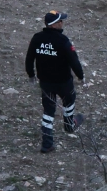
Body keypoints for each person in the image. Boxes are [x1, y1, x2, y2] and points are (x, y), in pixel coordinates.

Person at [24, 10, 84, 153]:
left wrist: (31, 74)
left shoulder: (37, 38)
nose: (62, 23)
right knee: (69, 102)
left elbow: (29, 58)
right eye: (60, 21)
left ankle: (47, 143)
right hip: (64, 82)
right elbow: (74, 61)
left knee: (48, 110)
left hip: (45, 82)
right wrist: (81, 76)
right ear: (54, 24)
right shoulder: (63, 41)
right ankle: (69, 125)